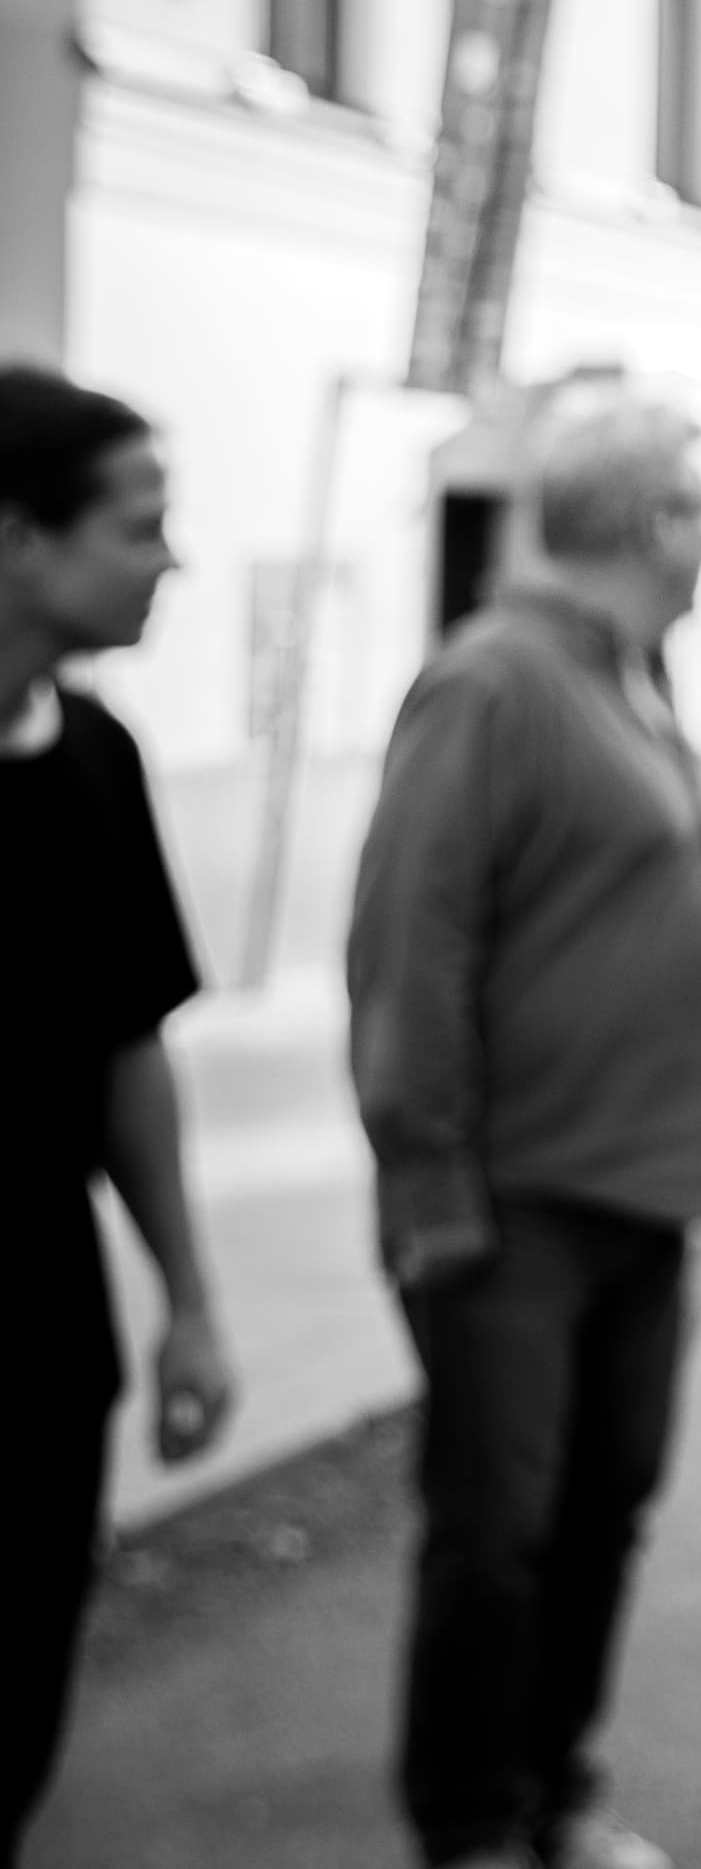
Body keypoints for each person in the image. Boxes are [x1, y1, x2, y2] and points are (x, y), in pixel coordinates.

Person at [347, 395, 701, 1869]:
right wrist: (426, 1185)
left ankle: (558, 1793)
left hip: (635, 1191)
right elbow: (410, 948)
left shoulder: (625, 671)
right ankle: (471, 1822)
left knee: (604, 1510)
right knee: (499, 1535)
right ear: (644, 524)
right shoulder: (493, 681)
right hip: (515, 1198)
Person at [0, 366, 232, 1860]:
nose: (171, 561)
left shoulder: (97, 759)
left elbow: (127, 1049)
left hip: (35, 1351)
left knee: (14, 1726)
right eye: (140, 527)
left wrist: (191, 1301)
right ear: (23, 539)